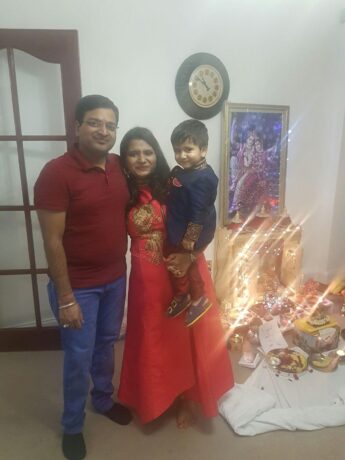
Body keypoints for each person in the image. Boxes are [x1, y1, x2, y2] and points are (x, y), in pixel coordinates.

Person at [34, 95, 132, 460]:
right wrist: (66, 298)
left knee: (107, 343)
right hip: (78, 287)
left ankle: (103, 400)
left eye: (109, 125)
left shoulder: (119, 166)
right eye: (94, 122)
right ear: (77, 127)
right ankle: (73, 425)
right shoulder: (56, 173)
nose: (103, 130)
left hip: (115, 278)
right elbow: (51, 240)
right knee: (78, 356)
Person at [117, 126, 234, 428]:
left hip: (184, 269)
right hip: (146, 281)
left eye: (147, 152)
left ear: (157, 155)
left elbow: (205, 220)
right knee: (153, 340)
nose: (141, 159)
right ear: (125, 159)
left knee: (186, 339)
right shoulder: (120, 192)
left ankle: (187, 400)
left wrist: (189, 254)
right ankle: (154, 398)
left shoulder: (174, 186)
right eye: (133, 153)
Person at [165, 119, 218, 327]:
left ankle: (198, 298)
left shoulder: (204, 178)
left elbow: (199, 212)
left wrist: (190, 238)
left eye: (188, 149)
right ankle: (183, 294)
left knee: (189, 263)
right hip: (182, 223)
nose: (182, 155)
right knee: (174, 261)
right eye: (177, 150)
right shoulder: (185, 171)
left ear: (203, 150)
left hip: (196, 229)